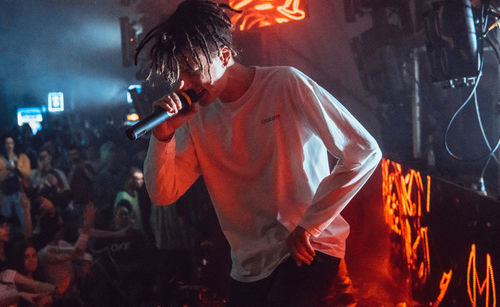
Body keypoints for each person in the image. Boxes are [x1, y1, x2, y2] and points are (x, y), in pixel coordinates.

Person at [138, 1, 382, 305]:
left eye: (191, 70)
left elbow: (363, 151)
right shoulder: (197, 118)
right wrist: (163, 137)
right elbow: (163, 194)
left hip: (307, 246)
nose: (184, 84)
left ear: (224, 56)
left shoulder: (284, 83)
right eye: (178, 74)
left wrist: (310, 225)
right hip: (250, 265)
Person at [0, 135, 31, 237]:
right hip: (5, 193)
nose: (9, 145)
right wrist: (7, 171)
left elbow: (27, 173)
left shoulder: (22, 157)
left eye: (11, 143)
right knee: (6, 218)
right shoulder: (1, 159)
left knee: (23, 219)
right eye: (7, 143)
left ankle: (26, 241)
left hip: (20, 192)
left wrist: (17, 166)